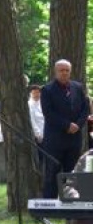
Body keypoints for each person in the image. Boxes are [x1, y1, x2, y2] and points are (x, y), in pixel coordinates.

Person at [41, 59, 90, 199]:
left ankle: (71, 202)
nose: (64, 73)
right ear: (55, 72)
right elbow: (48, 113)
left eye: (67, 70)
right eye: (61, 70)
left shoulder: (77, 87)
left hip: (74, 139)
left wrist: (78, 125)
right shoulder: (47, 90)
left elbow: (85, 109)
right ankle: (49, 204)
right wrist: (67, 125)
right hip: (55, 140)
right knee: (52, 173)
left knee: (72, 173)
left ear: (70, 71)